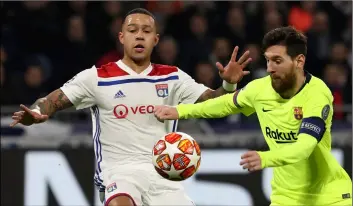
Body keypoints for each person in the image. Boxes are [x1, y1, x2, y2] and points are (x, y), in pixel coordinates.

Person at [10, 8, 252, 206]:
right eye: (132, 30)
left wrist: (228, 83)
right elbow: (52, 100)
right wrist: (38, 112)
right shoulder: (97, 78)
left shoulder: (172, 77)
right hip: (119, 173)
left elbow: (214, 102)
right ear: (121, 37)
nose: (139, 36)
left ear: (155, 39)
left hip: (163, 176)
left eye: (146, 31)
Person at [154, 26, 352, 205]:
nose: (269, 68)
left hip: (329, 197)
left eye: (277, 61)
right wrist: (180, 111)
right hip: (286, 198)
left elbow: (304, 147)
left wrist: (264, 158)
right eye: (267, 60)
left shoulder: (317, 94)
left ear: (299, 61)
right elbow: (222, 105)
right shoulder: (260, 88)